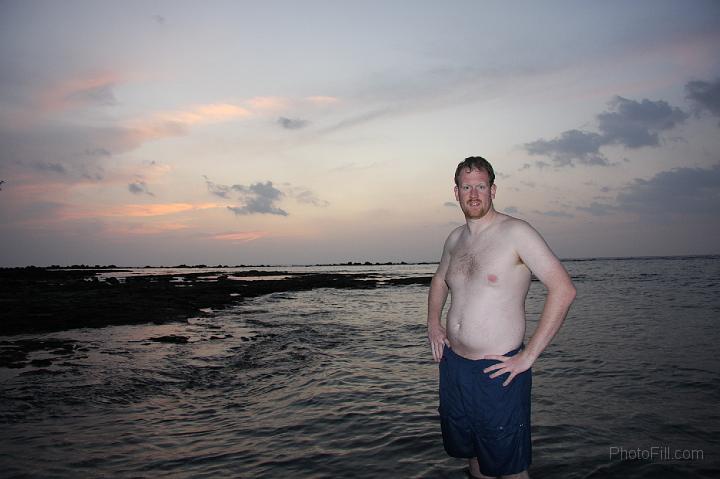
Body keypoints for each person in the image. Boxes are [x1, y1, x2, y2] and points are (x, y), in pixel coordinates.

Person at [427, 156, 576, 479]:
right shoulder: (455, 239)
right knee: (473, 456)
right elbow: (439, 280)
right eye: (467, 187)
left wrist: (528, 356)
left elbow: (563, 289)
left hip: (498, 371)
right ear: (456, 192)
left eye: (481, 186)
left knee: (510, 468)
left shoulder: (516, 233)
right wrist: (433, 323)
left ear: (493, 189)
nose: (474, 194)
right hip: (454, 368)